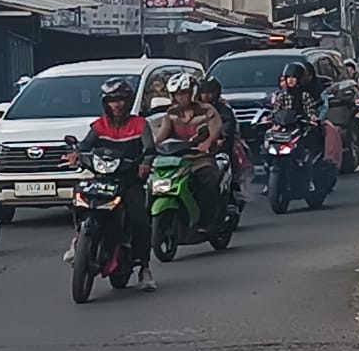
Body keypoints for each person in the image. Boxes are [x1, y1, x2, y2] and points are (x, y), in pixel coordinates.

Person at [63, 78, 156, 290]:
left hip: (129, 181)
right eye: (113, 100)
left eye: (121, 99)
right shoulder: (99, 125)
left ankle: (144, 268)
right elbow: (85, 145)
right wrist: (76, 154)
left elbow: (149, 149)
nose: (117, 105)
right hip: (102, 179)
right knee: (79, 201)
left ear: (129, 101)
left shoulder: (140, 125)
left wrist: (145, 163)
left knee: (141, 221)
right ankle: (77, 242)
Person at [155, 72, 224, 226]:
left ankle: (209, 220)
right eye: (176, 94)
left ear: (192, 92)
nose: (180, 97)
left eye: (184, 93)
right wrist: (151, 146)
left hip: (201, 159)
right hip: (176, 160)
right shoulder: (171, 113)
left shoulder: (208, 110)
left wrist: (206, 144)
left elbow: (214, 132)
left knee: (208, 180)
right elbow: (161, 136)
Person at [197, 76, 249, 203]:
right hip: (197, 149)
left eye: (210, 92)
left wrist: (221, 138)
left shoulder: (223, 109)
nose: (206, 96)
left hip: (219, 150)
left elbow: (228, 125)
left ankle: (230, 196)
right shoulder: (194, 109)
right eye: (203, 92)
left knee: (224, 167)